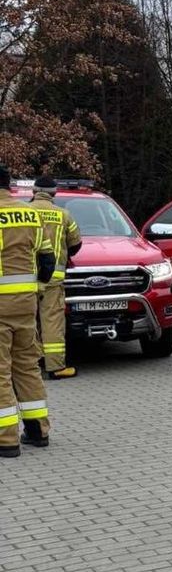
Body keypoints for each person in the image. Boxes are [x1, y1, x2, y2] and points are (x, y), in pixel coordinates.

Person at [0, 166, 56, 457]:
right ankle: (38, 431)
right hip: (25, 304)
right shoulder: (30, 213)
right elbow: (48, 260)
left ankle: (6, 440)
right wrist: (37, 288)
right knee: (27, 367)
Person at [30, 176, 83, 379]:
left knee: (27, 321)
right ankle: (56, 367)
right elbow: (76, 244)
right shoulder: (63, 215)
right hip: (53, 279)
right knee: (52, 321)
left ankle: (29, 366)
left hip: (25, 278)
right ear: (54, 194)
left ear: (33, 192)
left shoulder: (25, 212)